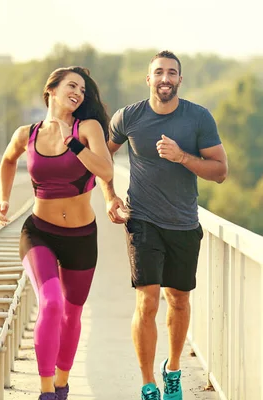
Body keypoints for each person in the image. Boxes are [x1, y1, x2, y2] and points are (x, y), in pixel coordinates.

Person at [101, 50, 228, 400]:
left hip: (185, 222)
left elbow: (220, 171)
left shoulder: (198, 118)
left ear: (180, 80)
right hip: (143, 221)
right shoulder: (128, 117)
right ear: (148, 79)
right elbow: (102, 158)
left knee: (179, 300)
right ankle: (148, 384)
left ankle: (172, 369)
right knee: (149, 300)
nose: (165, 78)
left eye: (172, 73)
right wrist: (110, 195)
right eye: (159, 72)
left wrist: (183, 157)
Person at [0, 66, 116, 400]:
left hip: (81, 236)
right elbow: (7, 161)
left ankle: (62, 383)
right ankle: (46, 390)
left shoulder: (87, 128)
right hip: (39, 233)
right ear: (51, 89)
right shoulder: (27, 134)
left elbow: (106, 170)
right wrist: (3, 199)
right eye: (71, 85)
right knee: (50, 302)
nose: (78, 92)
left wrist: (74, 144)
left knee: (71, 313)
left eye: (82, 89)